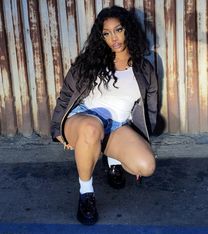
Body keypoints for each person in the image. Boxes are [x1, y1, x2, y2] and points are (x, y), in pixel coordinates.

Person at [51, 5, 158, 225]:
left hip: (116, 126)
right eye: (107, 33)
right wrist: (57, 129)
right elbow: (66, 95)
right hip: (82, 119)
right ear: (101, 38)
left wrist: (141, 140)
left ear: (128, 30)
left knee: (146, 166)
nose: (114, 38)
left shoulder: (144, 68)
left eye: (118, 30)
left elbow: (150, 106)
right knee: (91, 128)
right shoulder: (90, 63)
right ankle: (86, 194)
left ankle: (112, 158)